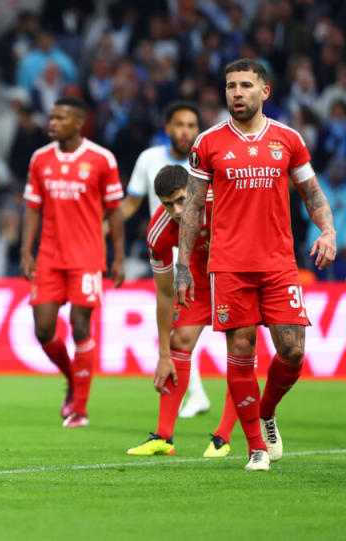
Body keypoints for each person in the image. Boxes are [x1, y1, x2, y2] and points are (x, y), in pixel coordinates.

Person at [177, 59, 337, 471]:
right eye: (231, 86)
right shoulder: (208, 143)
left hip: (279, 263)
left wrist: (328, 230)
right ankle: (256, 448)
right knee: (241, 350)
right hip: (229, 265)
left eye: (246, 85)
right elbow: (192, 207)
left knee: (292, 351)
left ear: (265, 91)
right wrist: (182, 265)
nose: (237, 93)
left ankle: (266, 412)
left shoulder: (288, 139)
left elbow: (311, 191)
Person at [20, 96, 125, 428]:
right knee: (43, 329)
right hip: (50, 257)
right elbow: (33, 208)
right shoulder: (39, 160)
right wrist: (26, 251)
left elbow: (115, 212)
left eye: (60, 118)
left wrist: (118, 257)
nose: (51, 122)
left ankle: (79, 408)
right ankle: (72, 377)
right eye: (51, 117)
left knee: (81, 326)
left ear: (78, 123)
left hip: (86, 258)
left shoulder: (101, 160)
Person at [126, 165, 237, 458]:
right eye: (166, 204)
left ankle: (222, 437)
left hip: (237, 278)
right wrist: (163, 356)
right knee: (179, 342)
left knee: (240, 348)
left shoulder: (222, 198)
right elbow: (164, 294)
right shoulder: (159, 232)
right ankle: (164, 436)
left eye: (180, 200)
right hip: (199, 283)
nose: (175, 210)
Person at [121, 101, 212, 419]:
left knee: (227, 335)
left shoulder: (206, 162)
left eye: (191, 125)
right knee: (180, 330)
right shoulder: (149, 159)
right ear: (167, 128)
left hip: (209, 256)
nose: (185, 131)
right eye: (179, 124)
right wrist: (105, 227)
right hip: (166, 249)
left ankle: (205, 400)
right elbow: (131, 204)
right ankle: (196, 394)